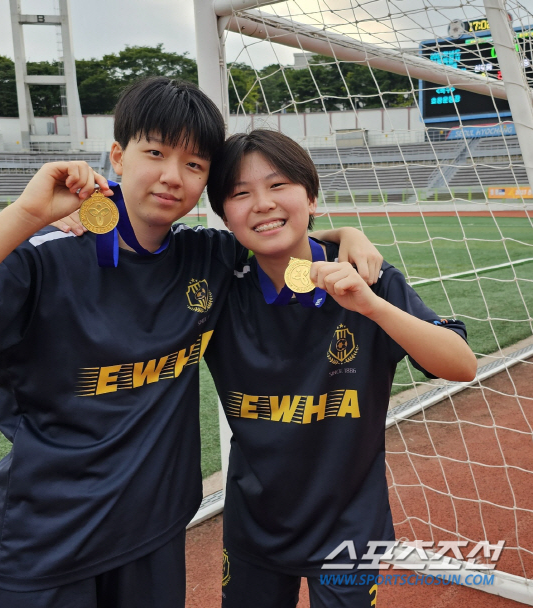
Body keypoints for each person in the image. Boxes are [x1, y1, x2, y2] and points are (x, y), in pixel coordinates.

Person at [0, 78, 380, 608]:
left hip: (154, 538)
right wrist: (24, 218)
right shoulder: (49, 257)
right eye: (155, 152)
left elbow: (282, 236)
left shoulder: (207, 257)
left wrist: (347, 237)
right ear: (118, 155)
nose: (170, 176)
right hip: (47, 547)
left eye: (194, 164)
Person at [202, 129, 477, 608]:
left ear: (311, 197)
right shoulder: (219, 290)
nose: (262, 203)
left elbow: (461, 365)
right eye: (240, 193)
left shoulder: (369, 280)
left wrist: (372, 307)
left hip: (348, 530)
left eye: (278, 185)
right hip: (255, 526)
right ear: (225, 214)